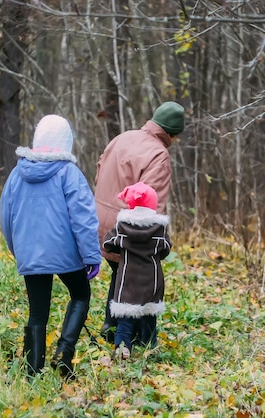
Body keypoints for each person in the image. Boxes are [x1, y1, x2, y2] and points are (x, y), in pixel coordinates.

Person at [0, 114, 101, 378]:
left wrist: (18, 250)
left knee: (37, 313)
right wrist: (90, 255)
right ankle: (64, 354)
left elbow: (6, 217)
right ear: (66, 141)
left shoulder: (16, 174)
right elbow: (84, 217)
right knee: (80, 294)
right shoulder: (69, 173)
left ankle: (33, 371)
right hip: (66, 253)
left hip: (30, 254)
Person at [95, 101, 185, 342]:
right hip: (126, 227)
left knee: (120, 273)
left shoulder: (122, 137)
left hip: (101, 220)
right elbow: (149, 205)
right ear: (172, 133)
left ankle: (111, 326)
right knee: (139, 279)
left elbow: (99, 169)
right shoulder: (158, 154)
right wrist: (157, 241)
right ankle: (136, 337)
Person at [103, 182, 172, 359]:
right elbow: (165, 249)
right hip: (152, 277)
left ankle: (123, 346)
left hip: (128, 276)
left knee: (125, 314)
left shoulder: (122, 226)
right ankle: (149, 345)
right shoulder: (159, 228)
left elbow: (107, 244)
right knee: (149, 314)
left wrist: (121, 249)